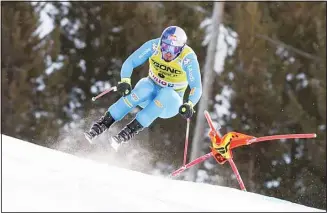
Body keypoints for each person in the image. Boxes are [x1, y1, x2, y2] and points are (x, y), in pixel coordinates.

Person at [84, 26, 203, 151]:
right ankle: (101, 125)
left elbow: (196, 87)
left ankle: (127, 133)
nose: (168, 52)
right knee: (144, 87)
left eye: (174, 49)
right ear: (161, 42)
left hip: (170, 103)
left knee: (166, 93)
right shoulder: (153, 46)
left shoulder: (187, 58)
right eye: (166, 46)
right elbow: (130, 62)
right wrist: (125, 80)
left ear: (181, 49)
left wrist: (190, 104)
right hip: (151, 91)